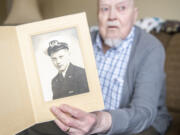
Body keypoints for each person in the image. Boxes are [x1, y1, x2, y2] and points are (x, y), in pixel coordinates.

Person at [17, 0, 171, 135]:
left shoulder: (150, 48)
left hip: (133, 124)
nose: (112, 16)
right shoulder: (85, 38)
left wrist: (100, 122)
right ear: (98, 13)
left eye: (122, 8)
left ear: (134, 14)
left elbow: (144, 112)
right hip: (83, 119)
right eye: (104, 8)